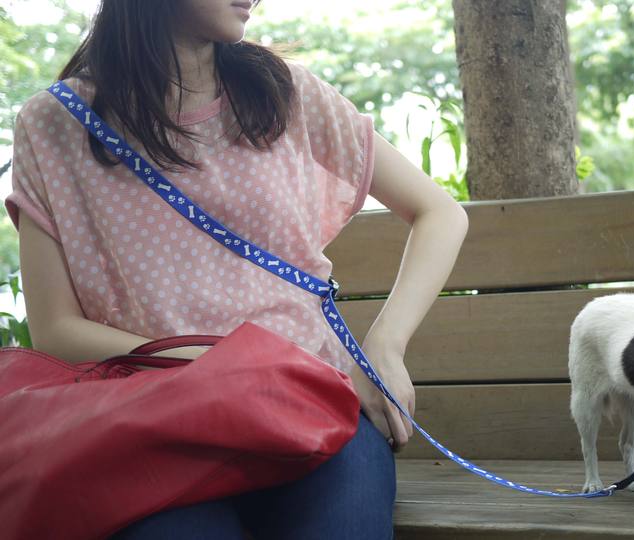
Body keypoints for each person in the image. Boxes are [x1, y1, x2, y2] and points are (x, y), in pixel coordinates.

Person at [5, 0, 468, 538]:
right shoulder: (53, 124)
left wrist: (384, 347)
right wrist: (235, 369)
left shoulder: (284, 92)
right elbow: (57, 330)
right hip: (154, 426)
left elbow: (440, 213)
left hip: (307, 410)